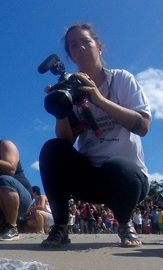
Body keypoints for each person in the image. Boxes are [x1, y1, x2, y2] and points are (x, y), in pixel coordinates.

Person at [39, 23, 151, 248]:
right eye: (73, 45)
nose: (80, 47)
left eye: (85, 42)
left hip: (127, 180)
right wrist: (61, 111)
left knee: (117, 166)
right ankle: (60, 226)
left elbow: (142, 127)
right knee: (51, 149)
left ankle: (125, 222)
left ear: (98, 47)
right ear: (69, 56)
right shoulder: (70, 89)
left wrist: (98, 99)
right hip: (90, 180)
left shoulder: (121, 79)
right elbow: (65, 143)